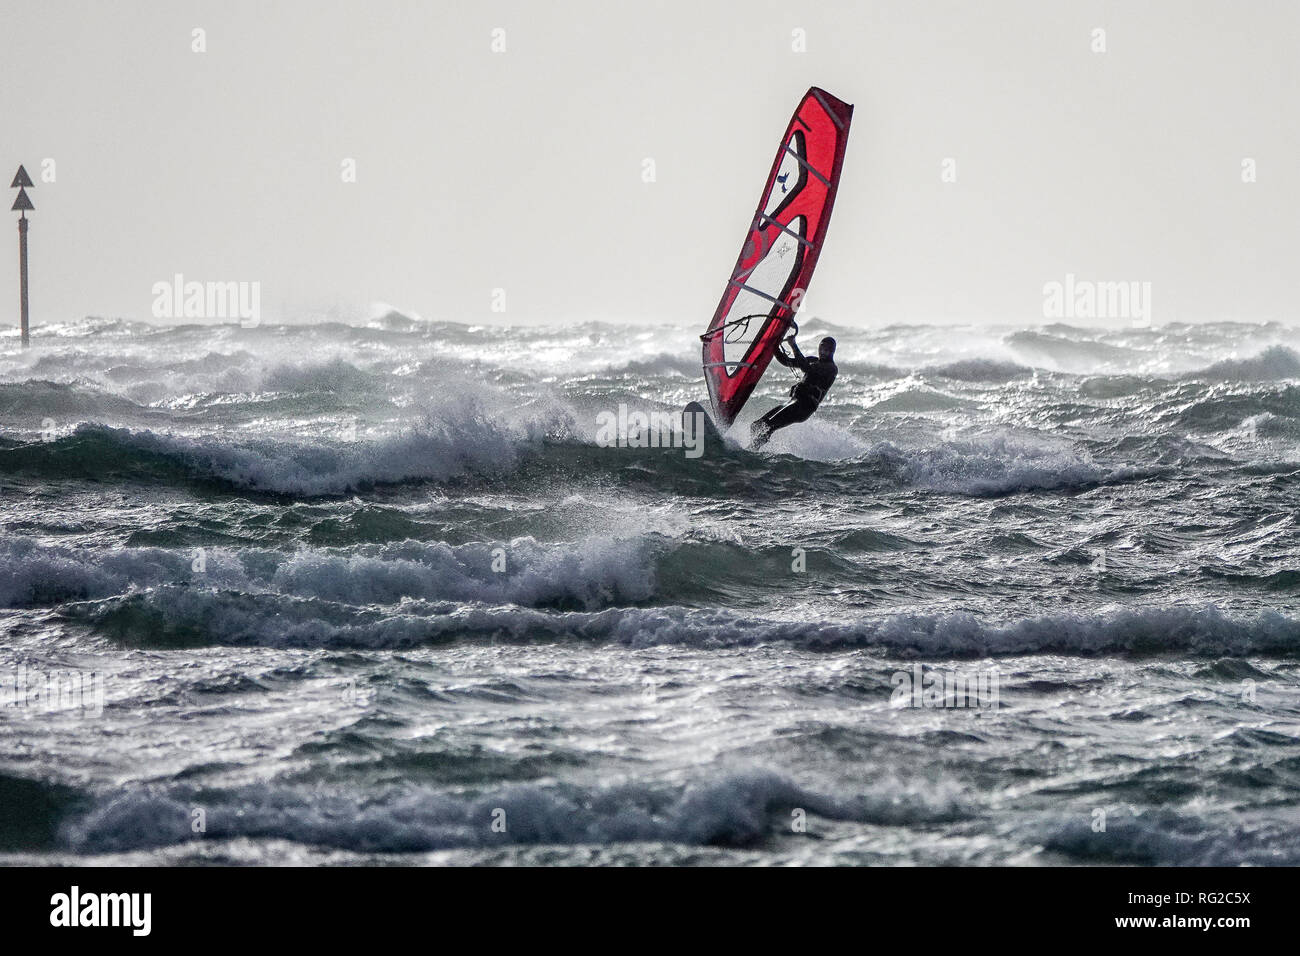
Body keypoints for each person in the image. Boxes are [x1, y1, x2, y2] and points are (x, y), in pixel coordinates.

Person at [750, 335, 837, 448]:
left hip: (804, 407)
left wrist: (793, 345)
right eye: (821, 348)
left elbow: (806, 368)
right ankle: (752, 448)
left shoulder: (831, 368)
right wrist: (774, 347)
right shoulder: (813, 360)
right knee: (757, 425)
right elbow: (787, 362)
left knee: (767, 426)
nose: (823, 352)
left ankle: (752, 450)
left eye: (827, 350)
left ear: (832, 352)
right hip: (794, 401)